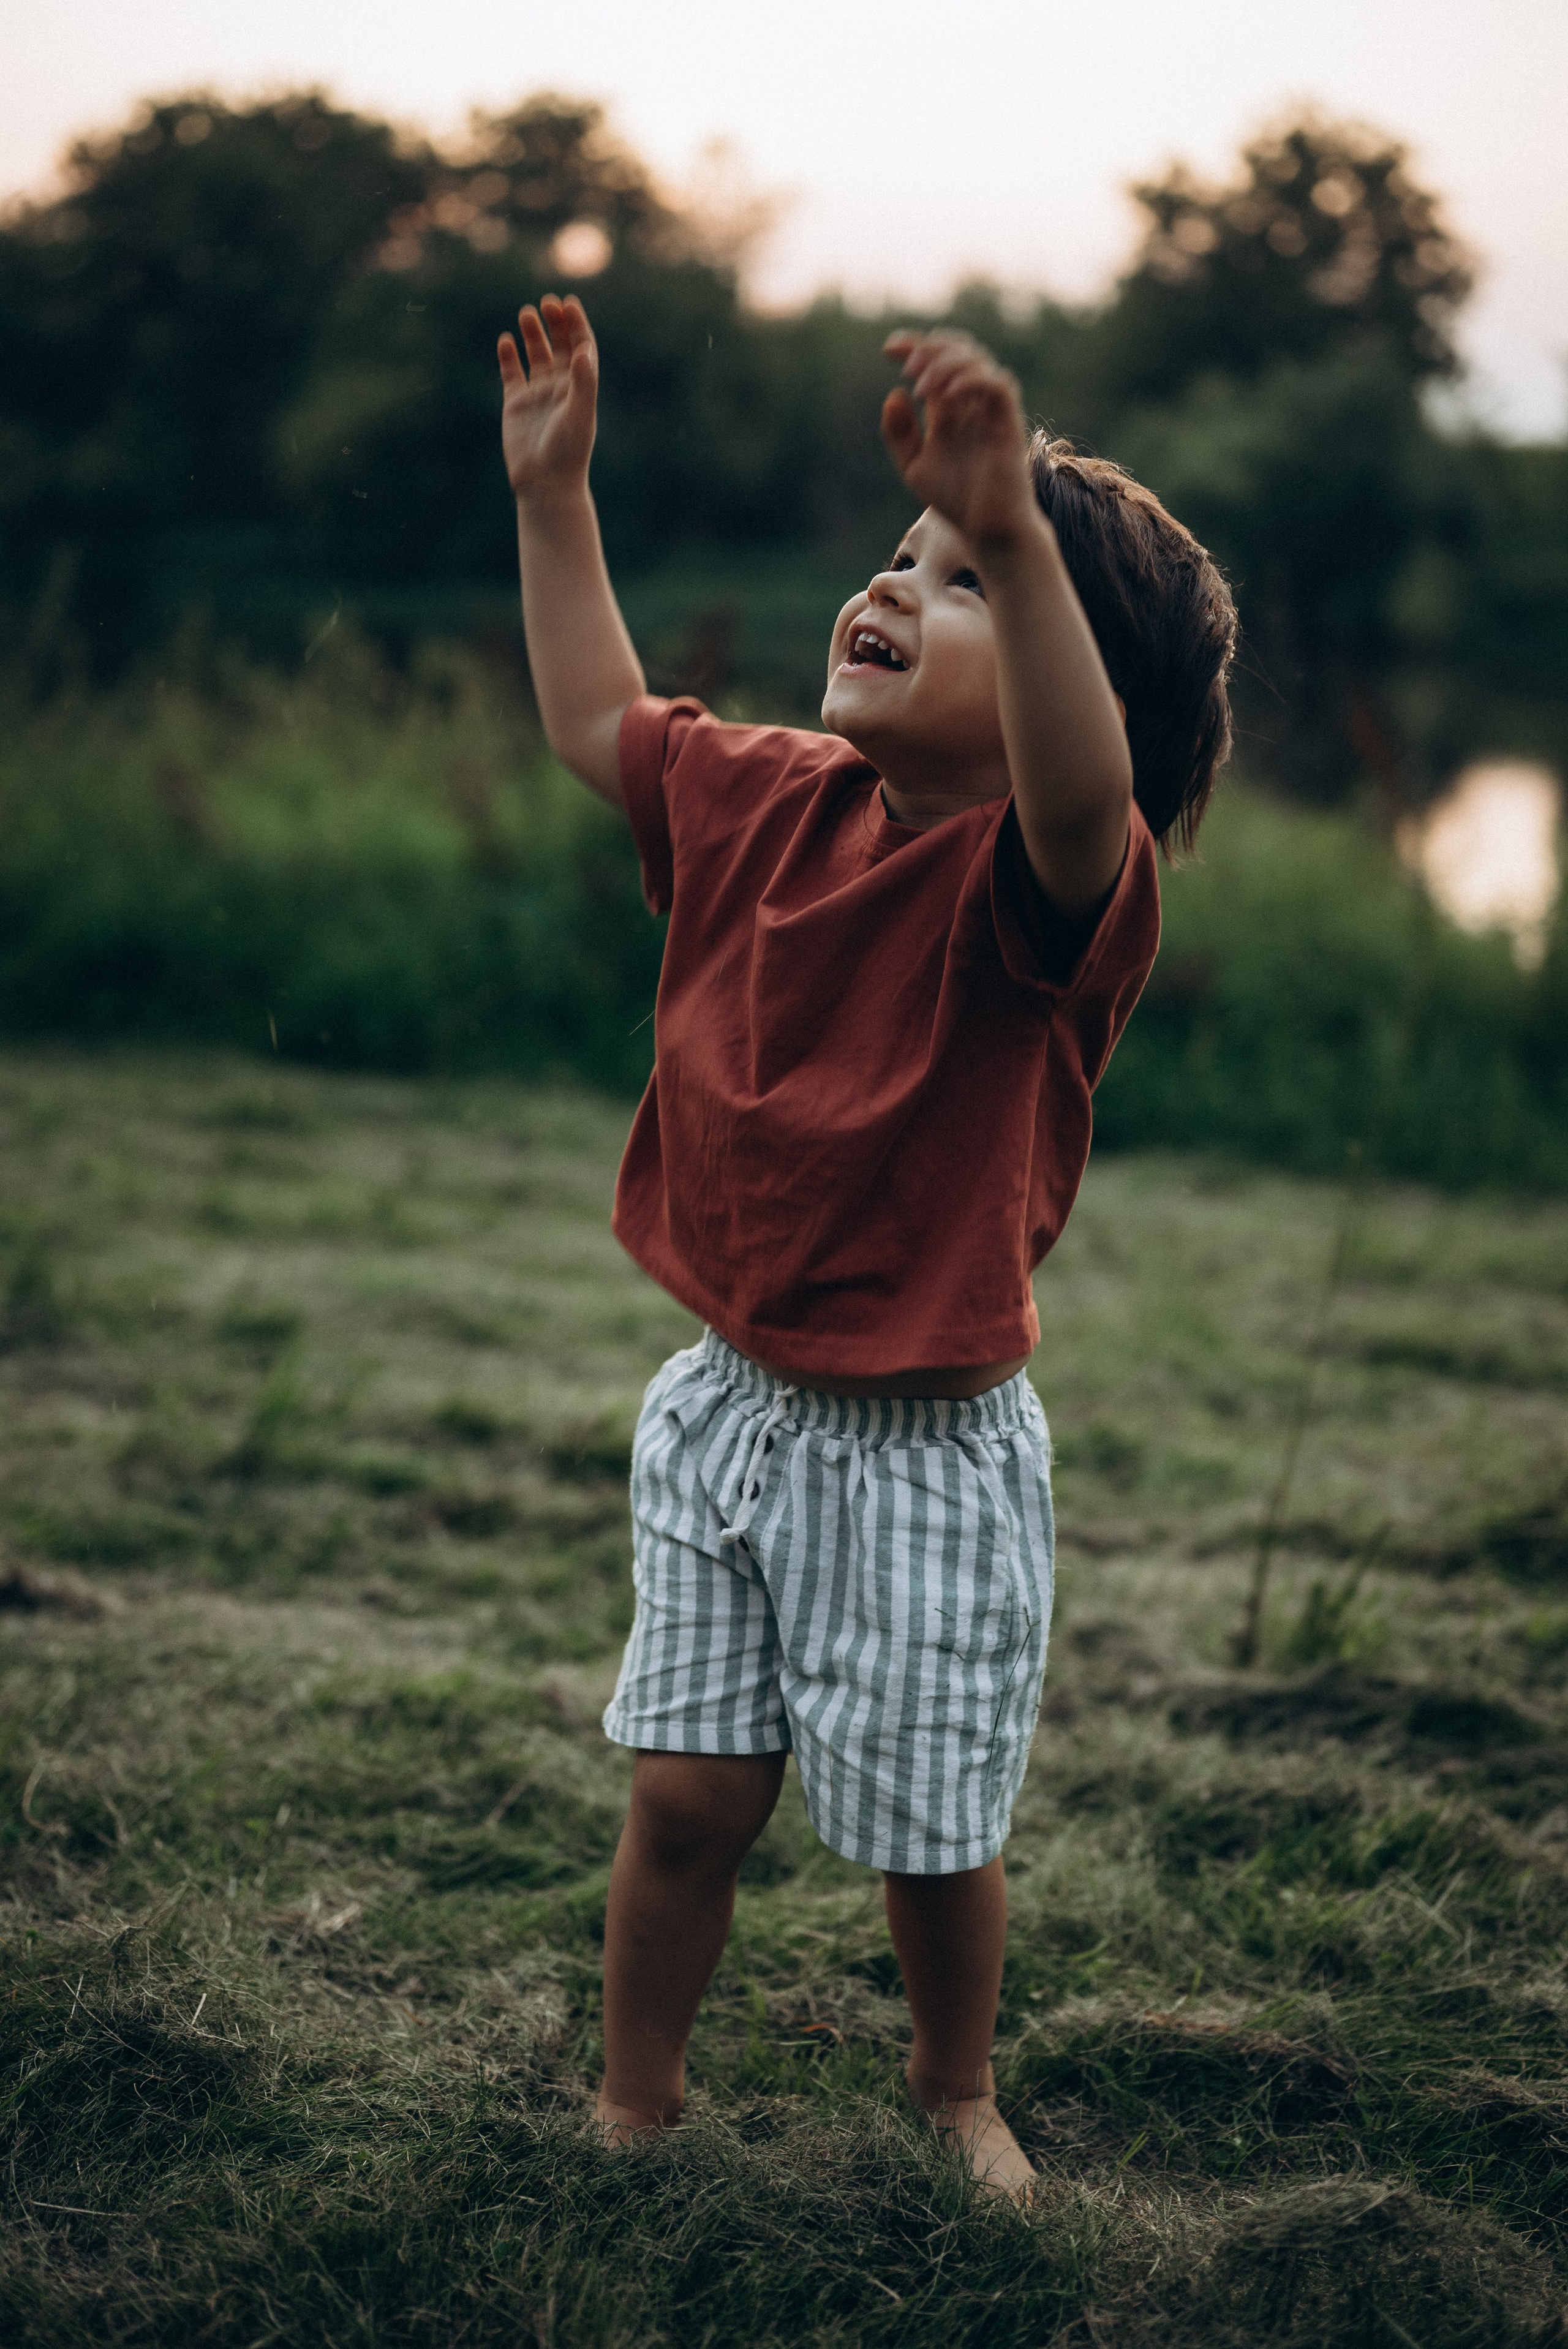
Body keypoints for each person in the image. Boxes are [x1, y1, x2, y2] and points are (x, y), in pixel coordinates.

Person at [497, 292, 1235, 2201]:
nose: (901, 586)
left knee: (926, 1832)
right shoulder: (764, 800)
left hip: (926, 1448)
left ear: (1082, 691)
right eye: (904, 555)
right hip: (730, 1410)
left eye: (971, 581)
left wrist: (1020, 525)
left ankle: (951, 2084)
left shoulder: (1044, 891)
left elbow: (1080, 791)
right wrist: (557, 494)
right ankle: (636, 2102)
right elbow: (595, 713)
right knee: (685, 1792)